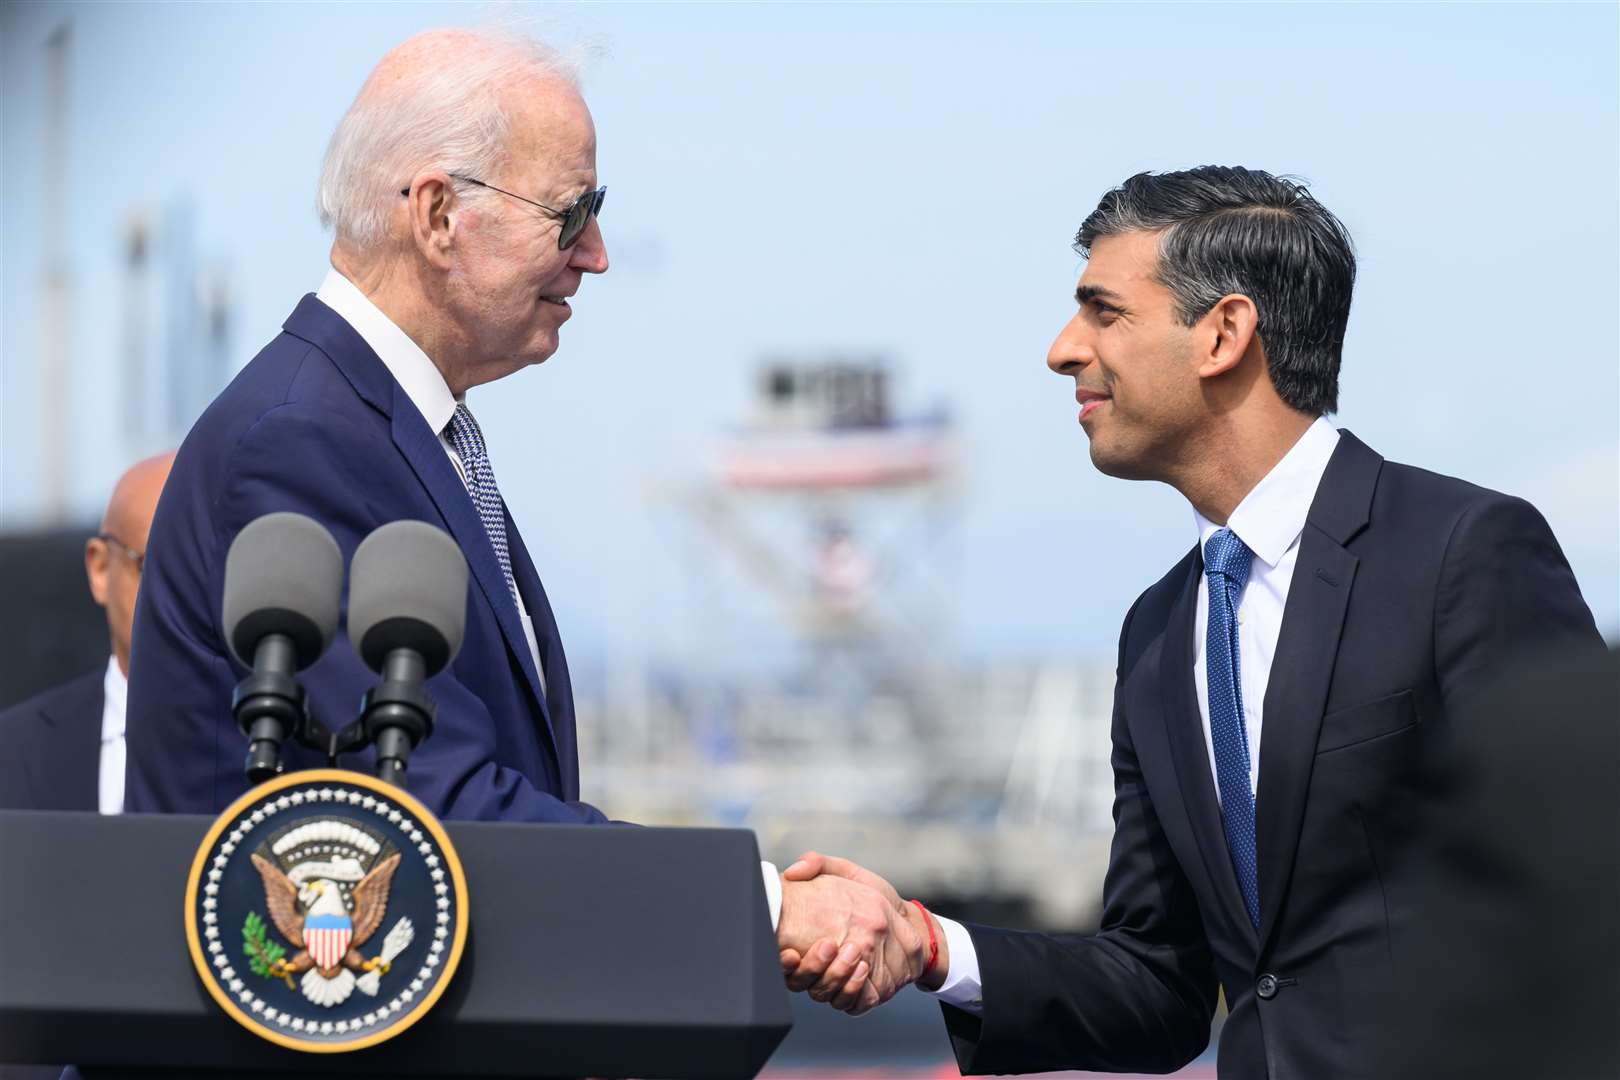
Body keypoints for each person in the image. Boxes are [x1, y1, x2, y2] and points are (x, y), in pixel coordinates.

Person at [123, 28, 916, 989]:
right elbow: (434, 805)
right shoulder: (304, 441)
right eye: (571, 210)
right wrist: (775, 905)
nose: (597, 254)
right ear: (438, 214)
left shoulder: (392, 428)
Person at [780, 167, 1604, 1077]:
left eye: (1104, 312)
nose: (1063, 350)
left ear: (1224, 334)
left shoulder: (1463, 551)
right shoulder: (1161, 633)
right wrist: (932, 948)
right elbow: (1159, 985)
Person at [0, 451, 174, 814]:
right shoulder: (12, 753)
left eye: (212, 569)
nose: (184, 594)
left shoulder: (290, 753)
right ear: (100, 569)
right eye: (157, 566)